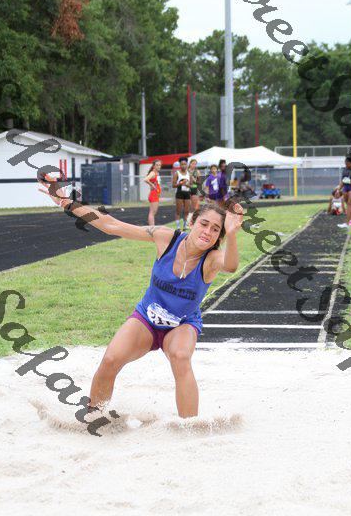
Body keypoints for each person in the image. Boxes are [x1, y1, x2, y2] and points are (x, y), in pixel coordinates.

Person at [38, 173, 244, 418]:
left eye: (215, 229)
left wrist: (232, 234)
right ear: (192, 222)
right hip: (146, 319)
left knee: (181, 357)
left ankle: (189, 427)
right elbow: (112, 225)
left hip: (181, 324)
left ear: (218, 237)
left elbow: (231, 266)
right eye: (204, 224)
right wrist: (67, 203)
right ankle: (94, 416)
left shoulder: (212, 259)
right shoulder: (166, 238)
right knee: (110, 359)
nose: (207, 231)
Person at [172, 156, 191, 230]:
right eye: (182, 164)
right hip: (179, 193)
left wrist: (187, 185)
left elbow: (191, 185)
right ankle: (178, 227)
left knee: (186, 211)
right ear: (180, 165)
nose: (183, 166)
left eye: (185, 164)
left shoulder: (189, 174)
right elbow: (173, 185)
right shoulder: (177, 173)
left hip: (187, 193)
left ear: (187, 165)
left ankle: (185, 225)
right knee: (178, 210)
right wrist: (180, 183)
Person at [144, 160, 162, 226]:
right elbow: (145, 179)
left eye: (159, 165)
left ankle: (152, 227)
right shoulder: (153, 173)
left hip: (155, 194)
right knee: (152, 213)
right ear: (154, 166)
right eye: (157, 165)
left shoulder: (156, 173)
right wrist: (152, 185)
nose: (158, 166)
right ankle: (151, 228)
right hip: (153, 195)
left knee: (153, 212)